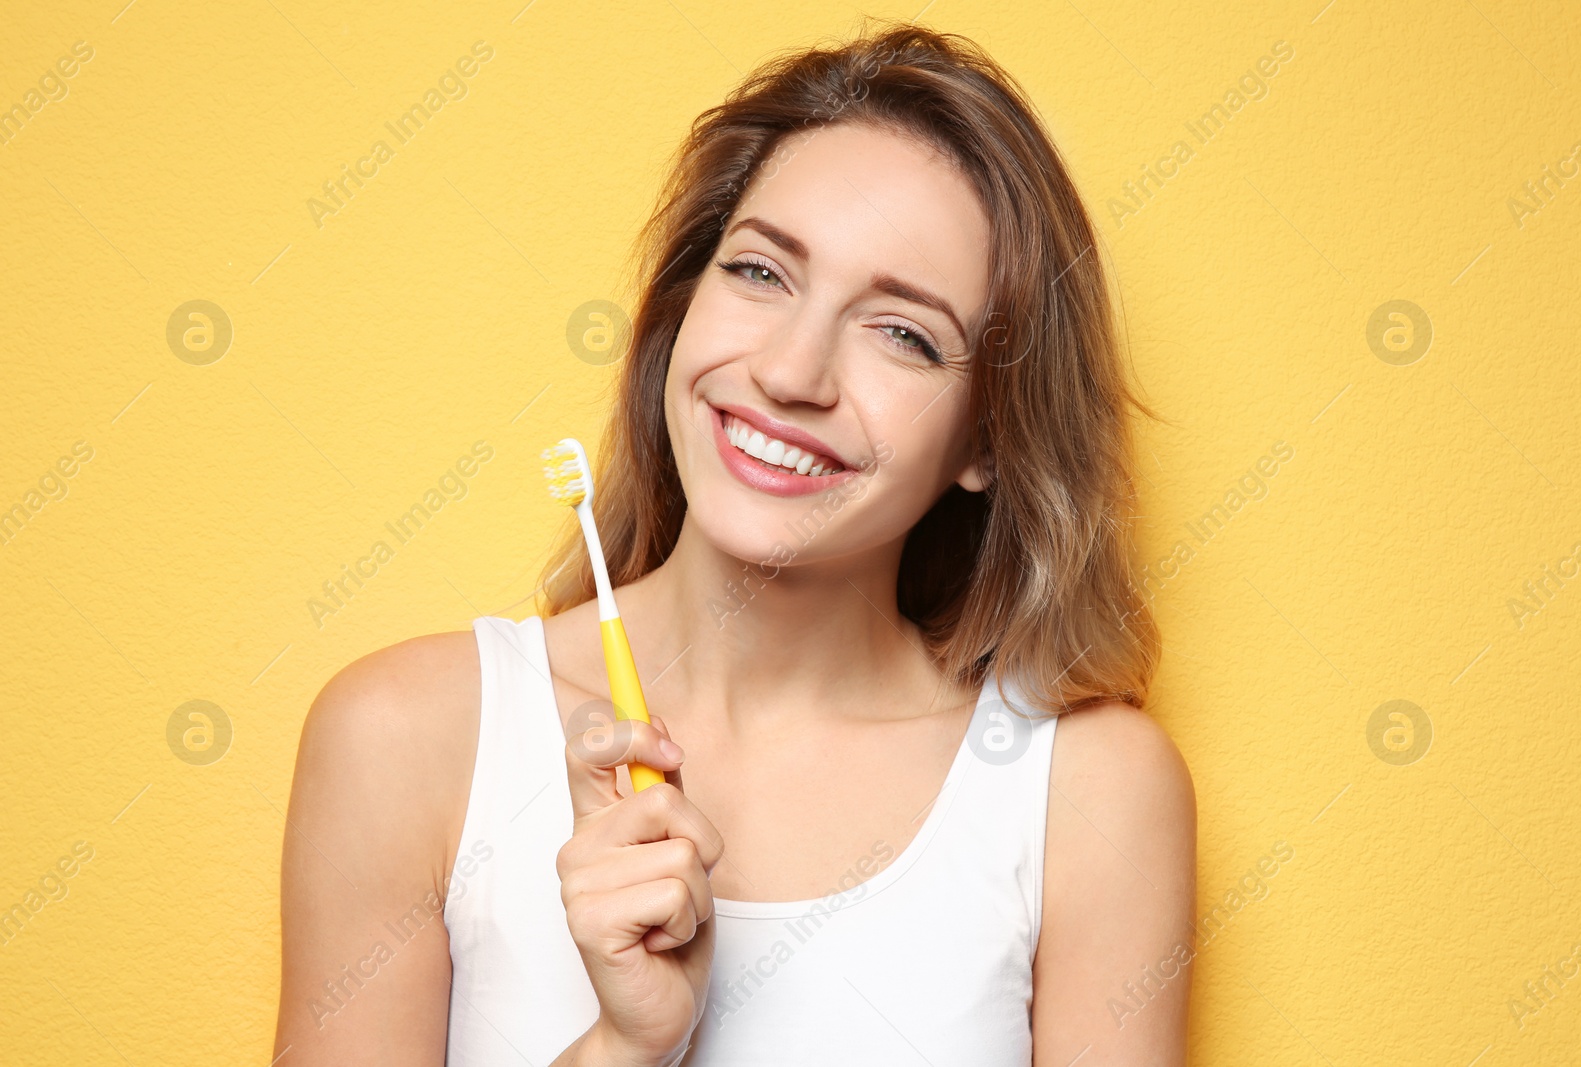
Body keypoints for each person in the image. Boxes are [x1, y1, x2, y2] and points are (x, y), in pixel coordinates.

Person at [274, 20, 1195, 1066]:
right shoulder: (405, 740)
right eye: (760, 272)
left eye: (903, 332)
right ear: (681, 309)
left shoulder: (1088, 796)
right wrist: (630, 1044)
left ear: (988, 437)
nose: (792, 371)